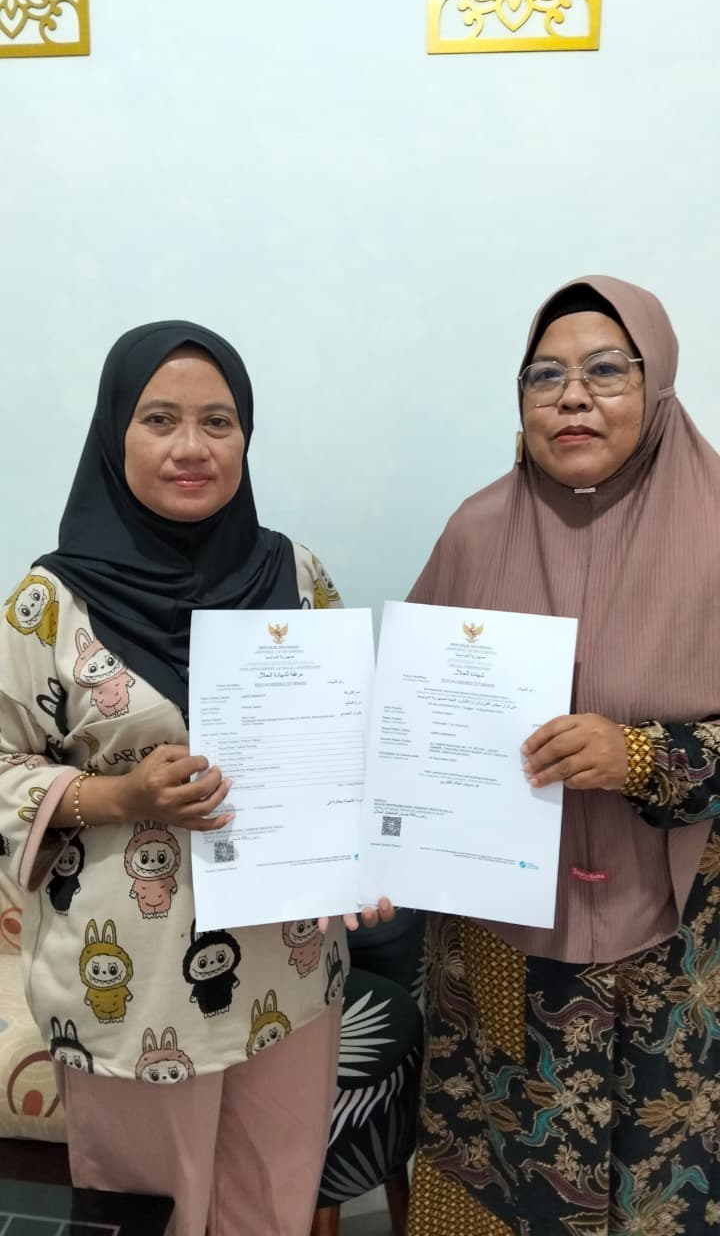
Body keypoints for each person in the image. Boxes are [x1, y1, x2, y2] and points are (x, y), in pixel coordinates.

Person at [0, 321, 392, 1236]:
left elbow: (356, 741)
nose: (191, 447)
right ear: (114, 434)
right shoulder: (49, 603)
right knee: (147, 1216)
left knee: (271, 1208)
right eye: (159, 419)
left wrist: (368, 856)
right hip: (129, 991)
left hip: (290, 972)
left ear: (245, 436)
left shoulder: (294, 574)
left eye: (218, 421)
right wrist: (120, 797)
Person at [405, 277, 720, 1235]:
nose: (572, 396)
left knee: (666, 1186)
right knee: (502, 1180)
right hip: (501, 944)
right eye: (544, 376)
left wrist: (643, 755)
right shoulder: (475, 530)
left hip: (680, 952)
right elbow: (408, 723)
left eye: (605, 371)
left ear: (657, 388)